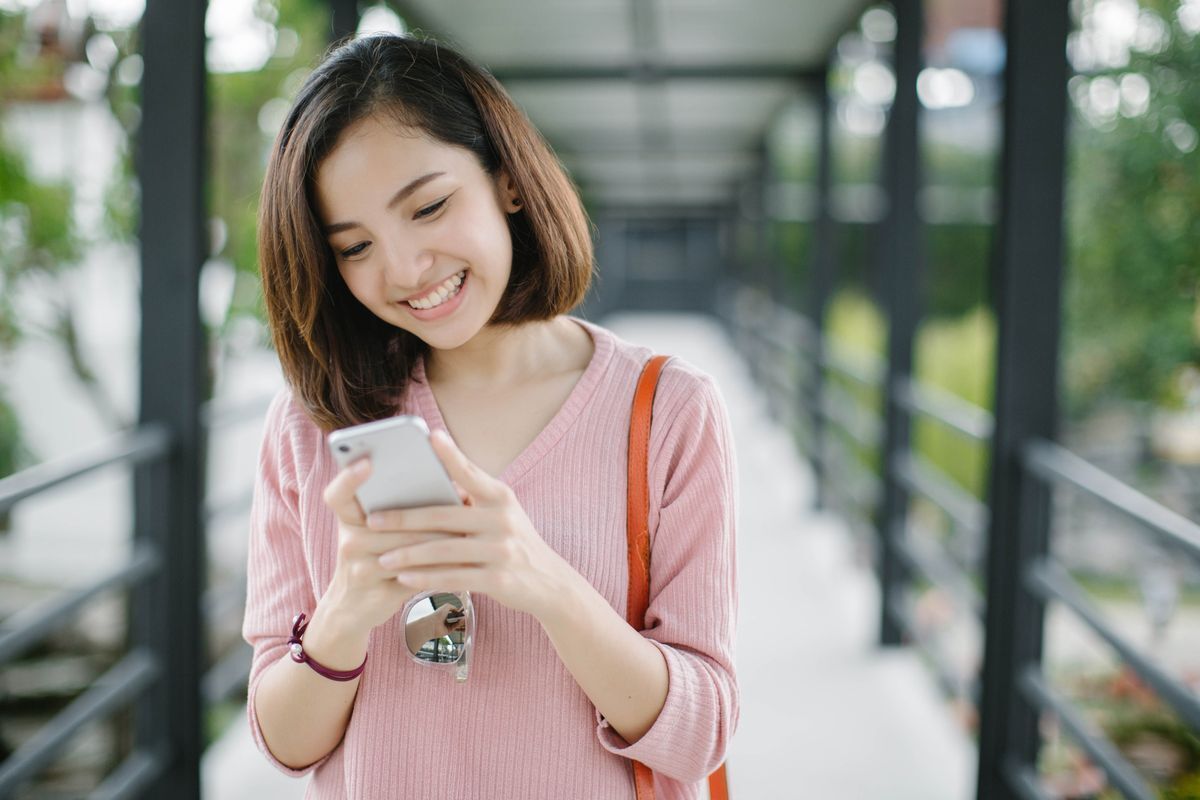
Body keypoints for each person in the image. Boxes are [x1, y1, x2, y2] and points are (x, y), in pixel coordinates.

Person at [243, 32, 739, 800]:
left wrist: (540, 580)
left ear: (507, 180)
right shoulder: (314, 423)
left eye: (430, 207)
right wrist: (345, 612)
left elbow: (703, 733)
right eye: (355, 247)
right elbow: (284, 745)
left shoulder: (669, 410)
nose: (405, 269)